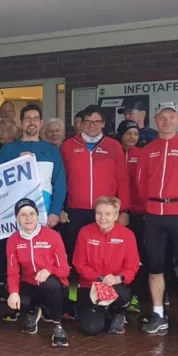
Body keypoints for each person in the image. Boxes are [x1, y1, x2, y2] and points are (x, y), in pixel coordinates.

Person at [136, 102, 178, 339]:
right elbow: (141, 183)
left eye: (171, 116)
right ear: (155, 120)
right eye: (162, 117)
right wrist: (151, 203)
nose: (166, 121)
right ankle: (158, 314)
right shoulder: (148, 150)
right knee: (155, 266)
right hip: (154, 213)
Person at [60, 106, 130, 260]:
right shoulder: (68, 146)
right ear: (81, 123)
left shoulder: (113, 146)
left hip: (105, 211)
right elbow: (60, 180)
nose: (92, 125)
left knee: (104, 252)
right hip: (75, 209)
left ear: (103, 124)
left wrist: (124, 210)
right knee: (75, 252)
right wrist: (60, 208)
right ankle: (76, 277)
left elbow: (122, 180)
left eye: (97, 122)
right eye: (88, 121)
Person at [6, 198, 70, 347]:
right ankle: (33, 312)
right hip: (30, 282)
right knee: (20, 299)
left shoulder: (53, 236)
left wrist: (49, 269)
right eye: (23, 215)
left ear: (37, 215)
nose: (28, 218)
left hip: (54, 286)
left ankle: (57, 326)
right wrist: (13, 292)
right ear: (16, 218)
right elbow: (13, 270)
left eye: (32, 214)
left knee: (51, 284)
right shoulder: (13, 240)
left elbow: (65, 270)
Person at [72, 197, 141, 336]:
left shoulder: (127, 235)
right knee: (91, 328)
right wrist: (99, 278)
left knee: (123, 294)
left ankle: (118, 312)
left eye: (108, 214)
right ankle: (101, 311)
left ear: (116, 216)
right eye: (99, 213)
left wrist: (118, 278)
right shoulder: (85, 232)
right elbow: (79, 263)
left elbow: (132, 265)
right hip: (90, 285)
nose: (103, 218)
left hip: (115, 285)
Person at [0, 104, 66, 228]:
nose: (32, 122)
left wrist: (55, 212)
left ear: (41, 123)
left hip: (44, 214)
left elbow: (60, 185)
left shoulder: (52, 151)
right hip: (13, 216)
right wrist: (17, 162)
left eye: (36, 119)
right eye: (28, 119)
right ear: (21, 123)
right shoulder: (7, 150)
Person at [117, 120, 147, 312]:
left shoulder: (142, 154)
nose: (132, 137)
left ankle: (135, 295)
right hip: (115, 212)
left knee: (137, 255)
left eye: (135, 133)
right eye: (128, 133)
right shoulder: (114, 152)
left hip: (138, 212)